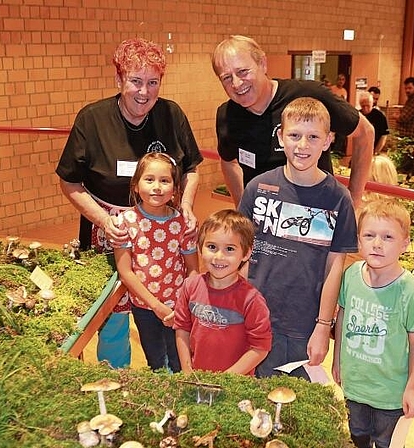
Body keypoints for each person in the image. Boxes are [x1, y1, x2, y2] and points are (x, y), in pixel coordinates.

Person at [56, 38, 203, 369]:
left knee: (167, 309)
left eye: (153, 83)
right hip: (112, 228)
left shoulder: (171, 113)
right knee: (112, 318)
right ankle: (117, 381)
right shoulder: (92, 119)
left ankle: (169, 378)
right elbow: (69, 181)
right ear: (119, 79)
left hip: (164, 229)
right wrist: (104, 220)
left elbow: (191, 169)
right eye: (136, 81)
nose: (144, 92)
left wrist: (188, 208)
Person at [239, 97, 358, 379]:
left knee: (296, 404)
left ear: (328, 141)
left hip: (303, 325)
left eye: (313, 137)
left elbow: (335, 268)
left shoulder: (338, 199)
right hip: (256, 317)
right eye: (294, 135)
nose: (302, 145)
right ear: (281, 137)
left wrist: (322, 325)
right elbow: (241, 254)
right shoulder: (257, 188)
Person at [212, 35, 374, 208]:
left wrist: (354, 200)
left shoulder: (309, 94)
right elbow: (228, 161)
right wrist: (242, 206)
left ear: (263, 64)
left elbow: (365, 132)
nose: (236, 84)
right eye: (227, 78)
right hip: (265, 223)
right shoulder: (227, 115)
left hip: (316, 217)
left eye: (243, 71)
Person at [332, 199, 414, 448]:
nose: (377, 244)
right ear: (359, 240)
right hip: (354, 386)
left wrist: (413, 388)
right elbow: (342, 316)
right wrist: (337, 360)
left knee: (388, 443)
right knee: (357, 437)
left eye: (387, 237)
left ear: (405, 244)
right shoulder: (351, 274)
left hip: (390, 394)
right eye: (369, 235)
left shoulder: (409, 290)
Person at [113, 152, 199, 372]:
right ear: (135, 185)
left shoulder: (182, 223)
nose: (157, 187)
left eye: (165, 181)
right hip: (144, 307)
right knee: (156, 362)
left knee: (181, 360)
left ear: (175, 190)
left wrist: (187, 304)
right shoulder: (125, 222)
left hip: (178, 308)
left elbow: (192, 270)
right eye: (149, 179)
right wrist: (156, 307)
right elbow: (126, 272)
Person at [174, 209, 272, 375]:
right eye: (212, 247)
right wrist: (187, 370)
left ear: (246, 253)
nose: (219, 256)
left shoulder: (252, 299)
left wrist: (225, 380)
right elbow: (182, 328)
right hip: (197, 380)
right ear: (200, 248)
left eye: (230, 249)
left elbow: (260, 347)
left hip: (236, 385)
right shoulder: (190, 286)